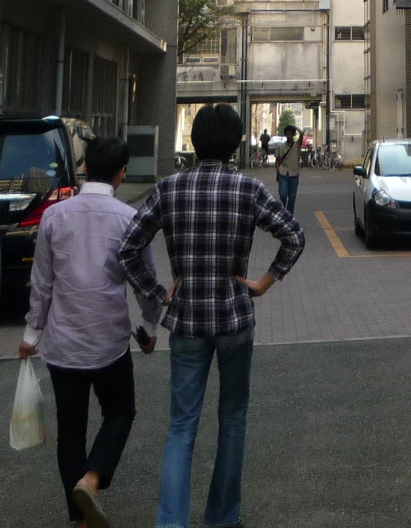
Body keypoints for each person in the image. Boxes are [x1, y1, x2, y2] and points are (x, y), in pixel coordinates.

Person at [118, 103, 306, 528]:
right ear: (236, 144)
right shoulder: (248, 189)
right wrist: (264, 282)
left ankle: (171, 522)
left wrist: (158, 293)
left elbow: (127, 249)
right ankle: (222, 517)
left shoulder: (168, 189)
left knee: (181, 426)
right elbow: (294, 235)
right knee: (233, 418)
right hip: (235, 317)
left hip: (186, 321)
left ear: (194, 142)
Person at [21, 136, 161, 528]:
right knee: (120, 412)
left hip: (63, 343)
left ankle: (80, 520)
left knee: (71, 431)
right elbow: (145, 280)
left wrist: (31, 334)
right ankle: (92, 478)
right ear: (122, 173)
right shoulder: (128, 218)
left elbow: (42, 281)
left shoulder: (54, 216)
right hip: (108, 342)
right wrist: (149, 327)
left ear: (85, 169)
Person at [270, 124, 301, 213]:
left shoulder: (297, 145)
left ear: (293, 135)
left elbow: (302, 133)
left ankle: (289, 215)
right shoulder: (280, 147)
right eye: (287, 134)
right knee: (283, 195)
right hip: (283, 173)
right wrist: (278, 171)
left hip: (294, 173)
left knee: (292, 197)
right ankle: (283, 211)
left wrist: (294, 127)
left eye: (291, 134)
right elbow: (277, 161)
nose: (289, 136)